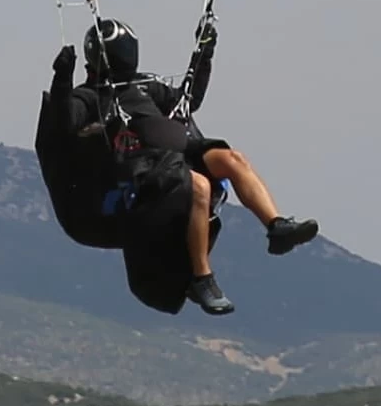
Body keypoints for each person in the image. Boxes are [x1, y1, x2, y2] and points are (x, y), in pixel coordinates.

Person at [32, 18, 317, 320]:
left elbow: (188, 100)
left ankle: (276, 227)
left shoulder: (146, 88)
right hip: (139, 178)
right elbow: (62, 124)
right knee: (199, 186)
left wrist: (204, 54)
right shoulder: (88, 97)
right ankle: (201, 279)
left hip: (172, 161)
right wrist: (62, 79)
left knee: (232, 160)